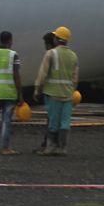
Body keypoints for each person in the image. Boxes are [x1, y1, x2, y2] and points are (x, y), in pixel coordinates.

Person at [34, 26, 79, 156]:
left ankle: (50, 147)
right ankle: (63, 148)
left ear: (56, 39)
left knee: (53, 122)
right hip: (68, 94)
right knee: (65, 122)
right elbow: (75, 78)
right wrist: (72, 90)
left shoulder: (51, 54)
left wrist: (37, 89)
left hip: (52, 93)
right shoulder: (73, 55)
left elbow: (43, 73)